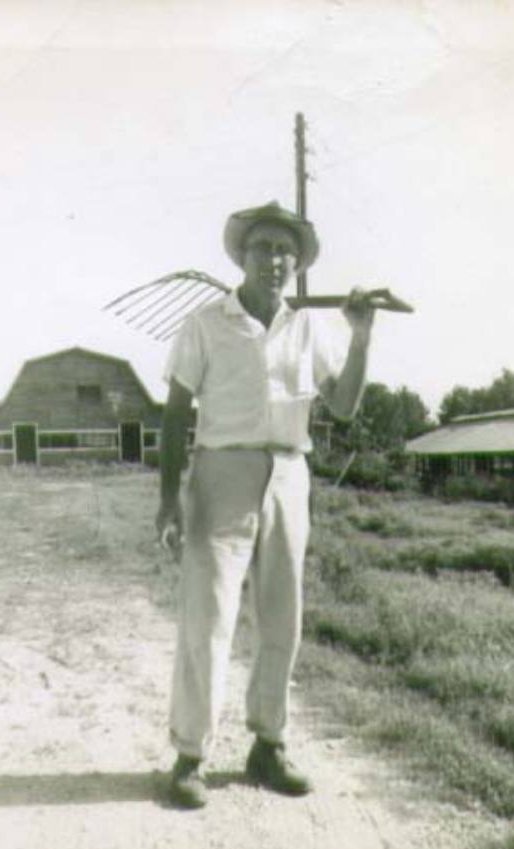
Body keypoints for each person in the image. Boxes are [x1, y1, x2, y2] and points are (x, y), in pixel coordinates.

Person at [156, 200, 376, 809]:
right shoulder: (206, 323)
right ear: (242, 257)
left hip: (289, 472)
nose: (274, 259)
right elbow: (175, 414)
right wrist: (169, 500)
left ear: (297, 263)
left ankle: (268, 746)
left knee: (282, 617)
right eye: (263, 248)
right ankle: (189, 755)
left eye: (285, 250)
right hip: (220, 471)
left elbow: (346, 406)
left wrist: (361, 337)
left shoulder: (309, 328)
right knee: (209, 617)